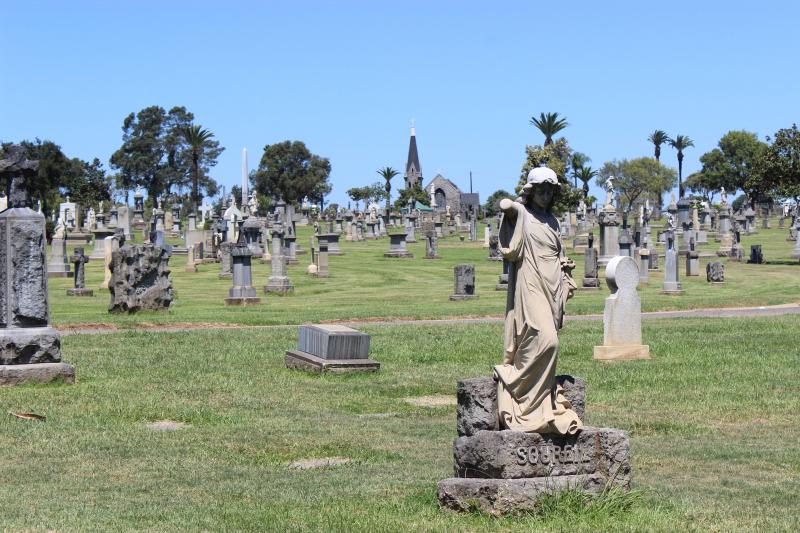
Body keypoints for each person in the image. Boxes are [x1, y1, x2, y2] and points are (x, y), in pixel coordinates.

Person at [494, 166, 582, 435]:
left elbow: (558, 254)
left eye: (549, 190)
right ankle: (519, 389)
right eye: (540, 190)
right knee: (546, 340)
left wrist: (566, 274)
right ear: (531, 192)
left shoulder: (552, 221)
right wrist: (512, 206)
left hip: (553, 286)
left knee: (545, 341)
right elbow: (506, 207)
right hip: (530, 282)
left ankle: (541, 396)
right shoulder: (523, 213)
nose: (545, 194)